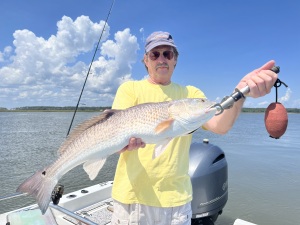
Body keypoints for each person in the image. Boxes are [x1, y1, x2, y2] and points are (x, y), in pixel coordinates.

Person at [110, 31, 278, 225]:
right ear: (146, 60)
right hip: (132, 199)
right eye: (155, 54)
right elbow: (114, 136)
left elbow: (219, 125)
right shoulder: (129, 89)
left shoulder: (190, 93)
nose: (162, 59)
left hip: (177, 202)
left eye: (168, 54)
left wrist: (240, 92)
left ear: (175, 60)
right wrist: (121, 145)